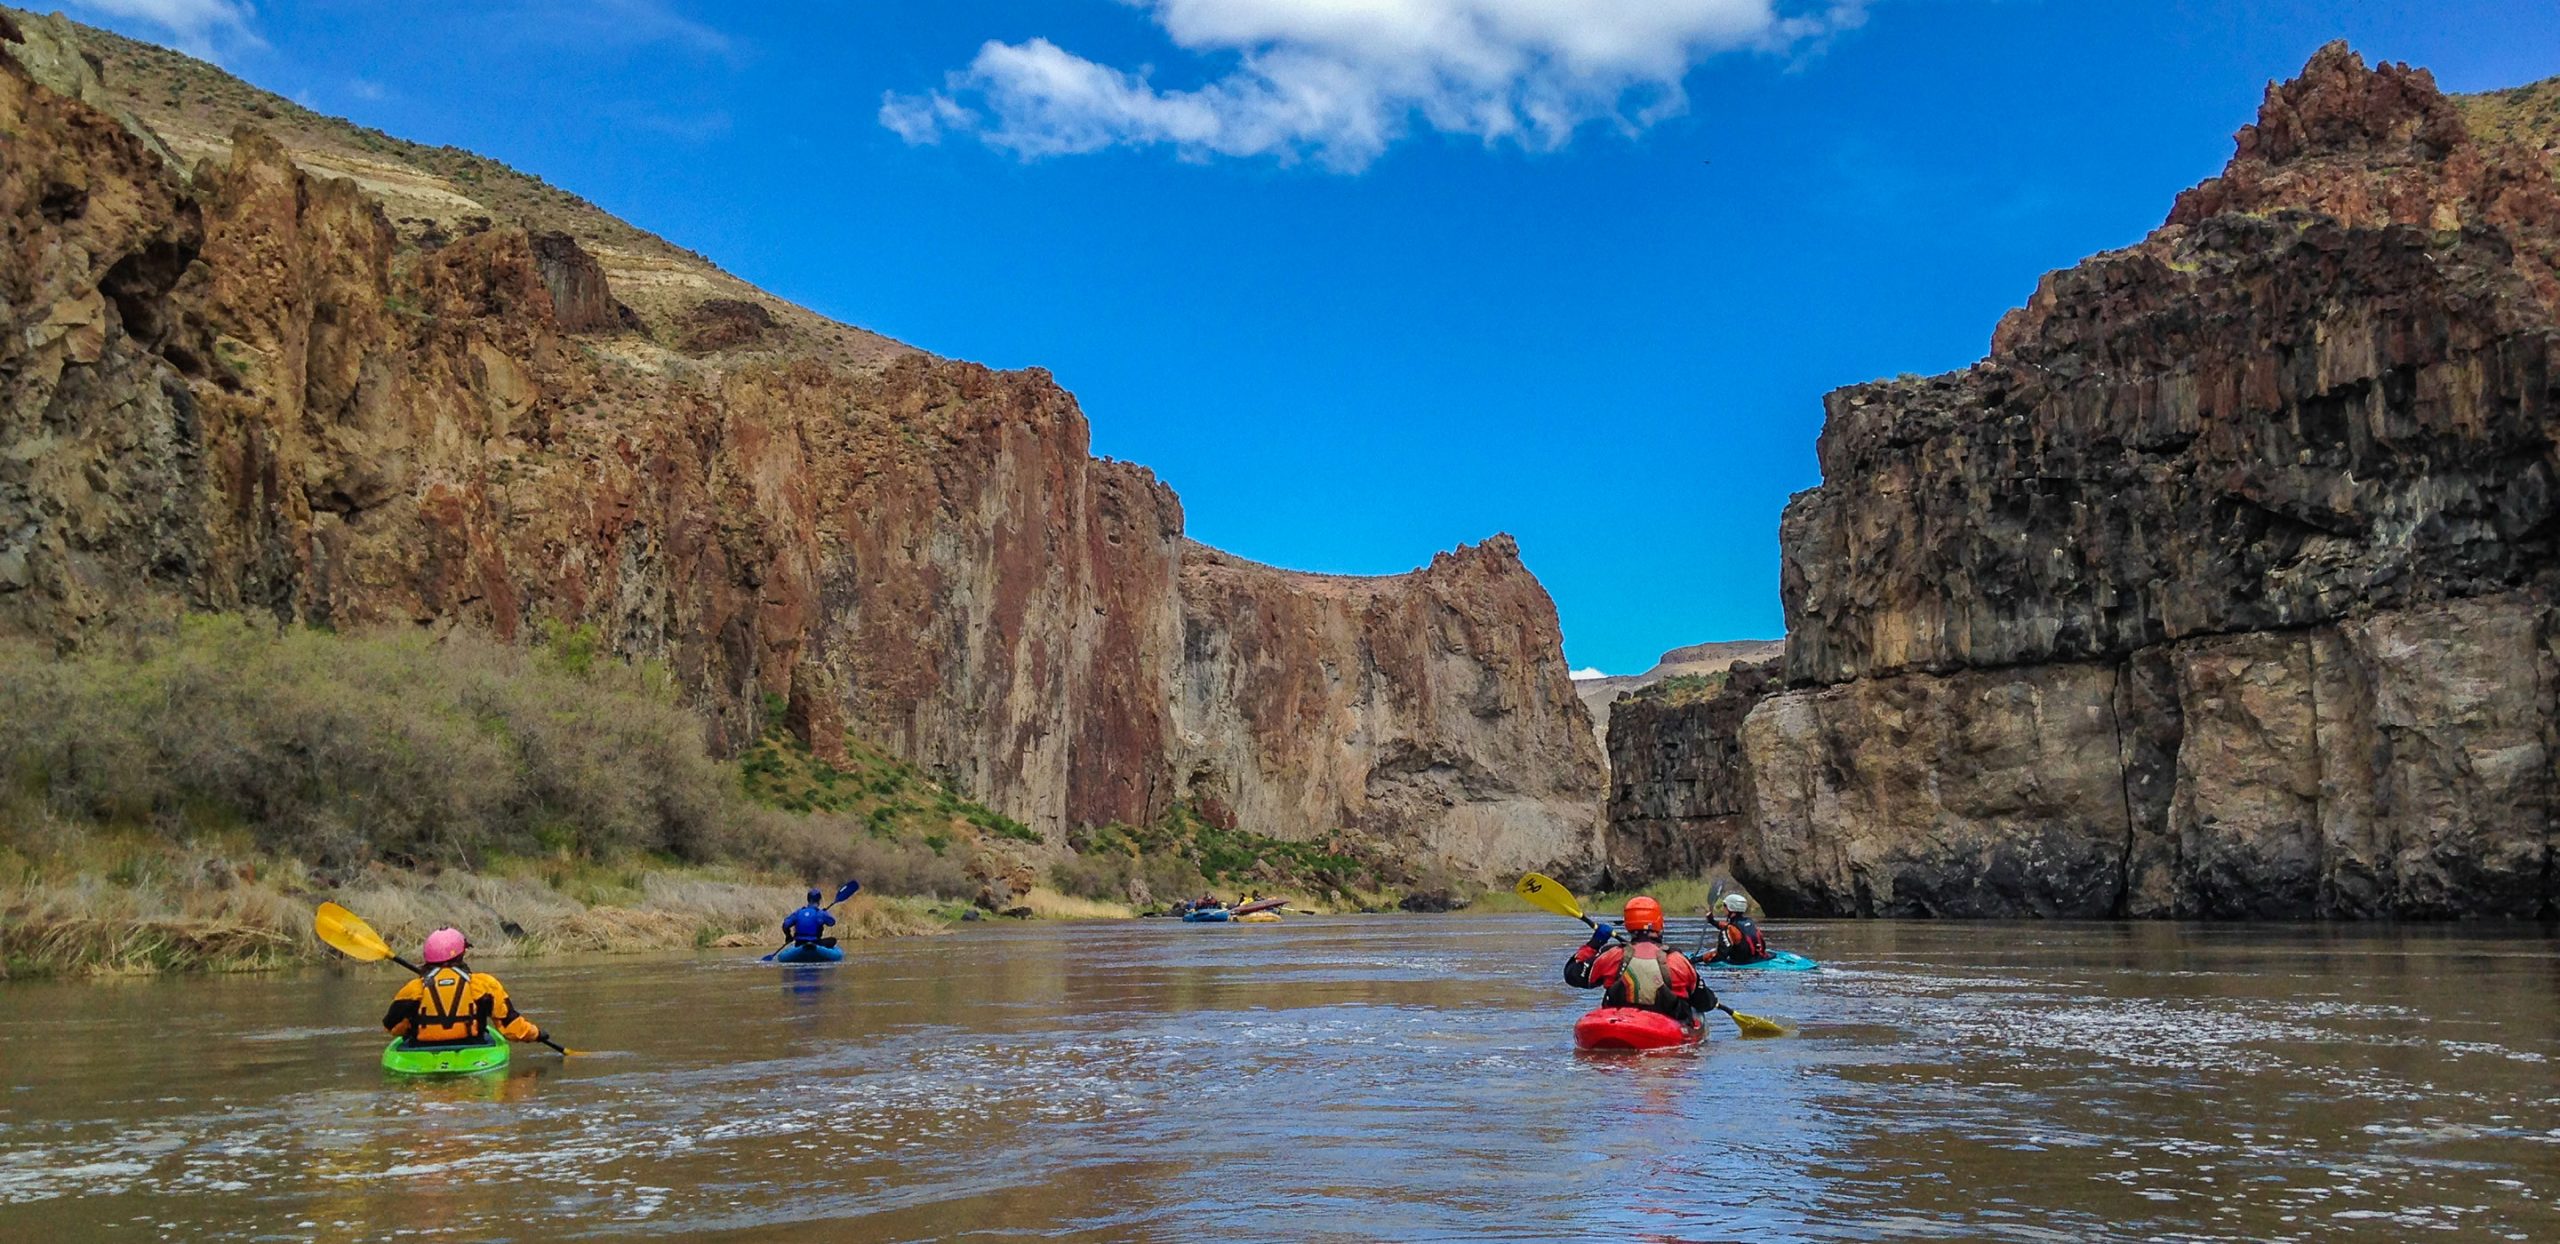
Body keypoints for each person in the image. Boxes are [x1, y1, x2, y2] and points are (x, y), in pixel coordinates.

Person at [382, 928, 548, 1048]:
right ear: (460, 955)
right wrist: (536, 1034)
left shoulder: (413, 989)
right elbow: (511, 1027)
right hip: (473, 1047)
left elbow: (391, 1027)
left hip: (421, 1049)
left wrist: (415, 1028)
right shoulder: (484, 984)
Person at [1563, 896, 1714, 1024]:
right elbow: (1704, 1003)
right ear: (1660, 924)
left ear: (1627, 925)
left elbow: (1572, 974)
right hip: (1664, 1028)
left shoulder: (1612, 955)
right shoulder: (1678, 961)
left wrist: (1595, 943)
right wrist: (1712, 1000)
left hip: (1619, 1024)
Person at [1701, 893, 1772, 965]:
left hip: (1742, 963)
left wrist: (1699, 959)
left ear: (1731, 907)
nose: (1723, 908)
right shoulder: (1749, 922)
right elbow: (1730, 927)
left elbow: (1721, 955)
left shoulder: (1728, 929)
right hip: (1760, 958)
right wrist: (1712, 921)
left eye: (1725, 905)